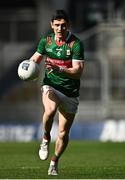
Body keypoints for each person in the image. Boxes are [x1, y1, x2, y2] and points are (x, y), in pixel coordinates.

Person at [30, 9, 85, 175]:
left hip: (70, 92)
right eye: (57, 25)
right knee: (50, 110)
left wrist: (60, 69)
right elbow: (35, 59)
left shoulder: (75, 44)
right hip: (51, 85)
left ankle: (54, 162)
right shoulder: (46, 41)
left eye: (63, 25)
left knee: (63, 133)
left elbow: (78, 71)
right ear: (51, 26)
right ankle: (45, 137)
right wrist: (28, 68)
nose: (60, 28)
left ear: (68, 25)